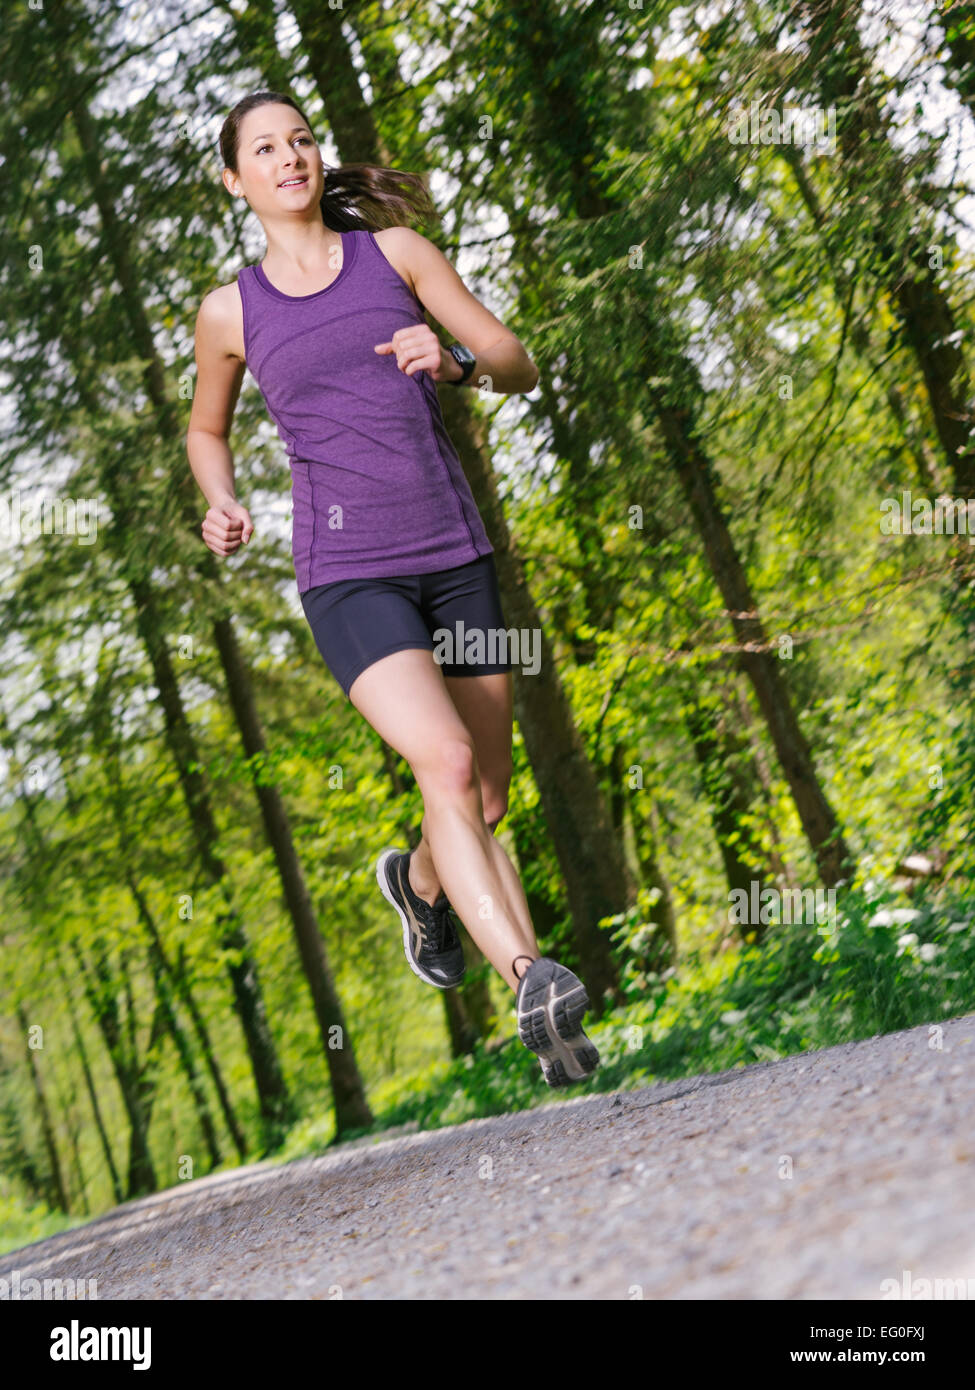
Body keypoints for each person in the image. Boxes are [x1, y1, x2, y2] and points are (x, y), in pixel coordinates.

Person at [186, 90, 599, 1087]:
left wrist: (452, 362)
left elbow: (517, 362)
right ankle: (532, 981)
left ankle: (417, 884)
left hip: (456, 555)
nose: (291, 158)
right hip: (348, 574)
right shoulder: (229, 311)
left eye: (302, 140)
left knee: (487, 794)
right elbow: (205, 428)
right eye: (266, 149)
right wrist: (222, 499)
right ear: (235, 179)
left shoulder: (397, 255)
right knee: (448, 765)